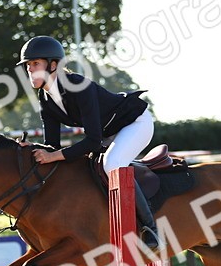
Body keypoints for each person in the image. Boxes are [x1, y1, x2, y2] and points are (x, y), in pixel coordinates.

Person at [17, 35, 161, 250]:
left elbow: (92, 142)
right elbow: (53, 147)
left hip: (135, 123)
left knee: (112, 164)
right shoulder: (45, 98)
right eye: (28, 65)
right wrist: (31, 150)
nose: (30, 69)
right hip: (108, 133)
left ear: (53, 64)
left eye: (35, 63)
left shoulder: (78, 86)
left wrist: (53, 155)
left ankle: (150, 229)